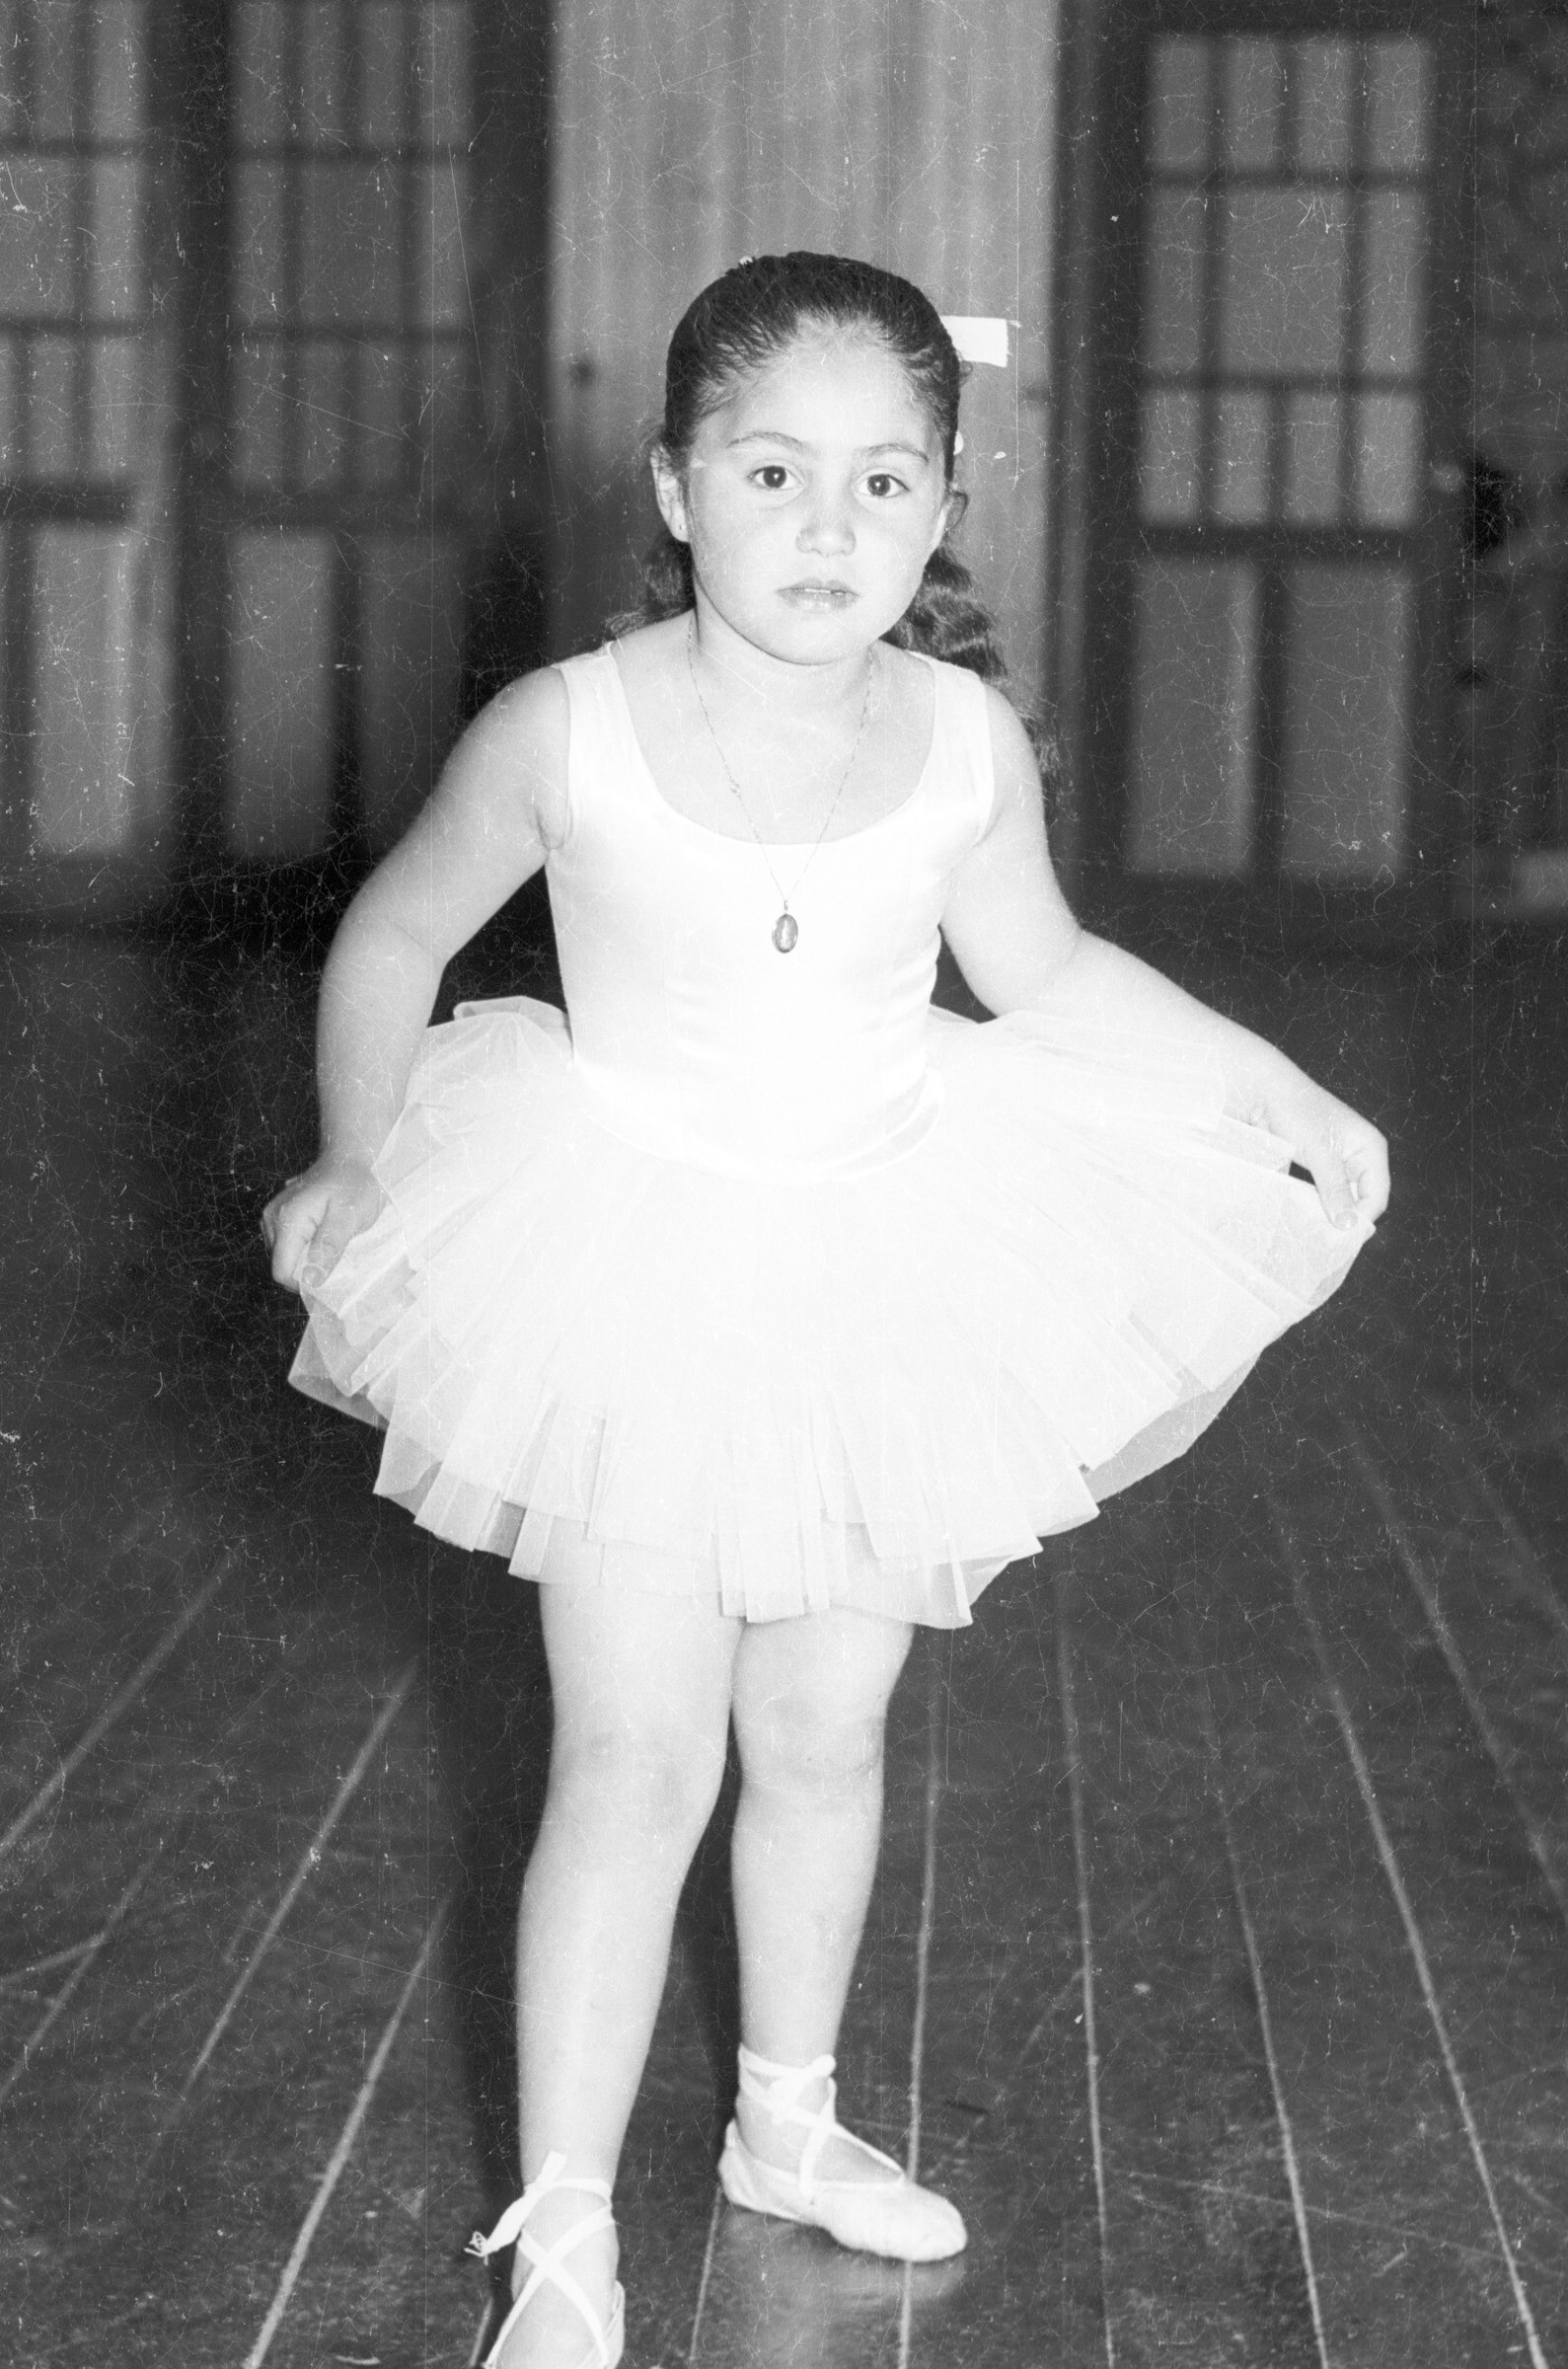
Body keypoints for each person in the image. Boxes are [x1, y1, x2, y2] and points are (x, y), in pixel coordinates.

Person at [262, 253, 1389, 2369]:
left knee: (820, 1729)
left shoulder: (960, 738)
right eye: (772, 472)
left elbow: (1047, 976)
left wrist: (1281, 1088)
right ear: (675, 488)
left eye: (886, 484)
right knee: (631, 1752)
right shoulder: (570, 730)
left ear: (947, 505)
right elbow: (392, 941)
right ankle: (569, 2232)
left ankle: (787, 2127)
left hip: (882, 1266)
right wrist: (349, 1160)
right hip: (629, 1277)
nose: (828, 529)